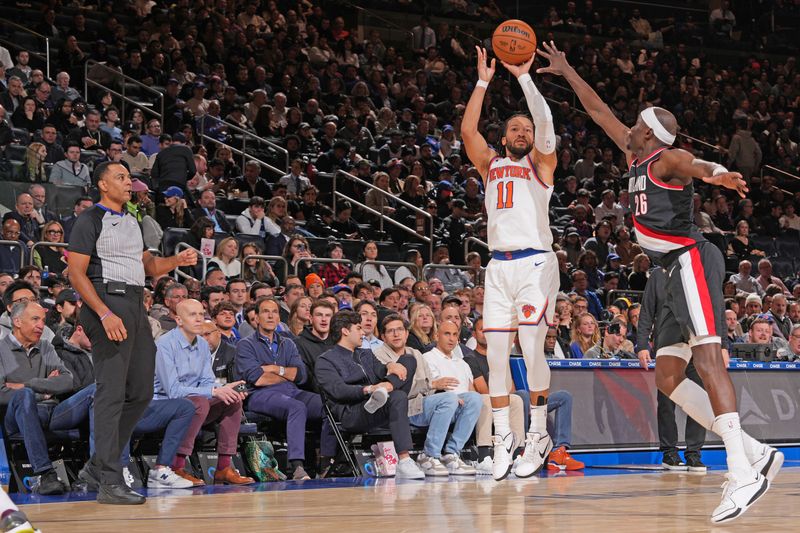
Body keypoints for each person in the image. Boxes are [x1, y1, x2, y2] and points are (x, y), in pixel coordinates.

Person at [538, 40, 780, 522]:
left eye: (634, 124)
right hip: (665, 273)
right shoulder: (636, 160)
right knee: (669, 378)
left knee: (709, 361)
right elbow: (599, 111)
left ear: (648, 133)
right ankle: (754, 449)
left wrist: (721, 174)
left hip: (691, 260)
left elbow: (697, 165)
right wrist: (566, 71)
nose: (624, 127)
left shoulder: (667, 160)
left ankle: (741, 469)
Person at [69, 161, 198, 505]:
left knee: (141, 391)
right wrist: (104, 312)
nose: (129, 183)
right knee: (111, 393)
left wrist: (177, 262)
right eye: (121, 177)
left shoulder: (133, 219)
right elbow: (75, 274)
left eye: (130, 177)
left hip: (135, 304)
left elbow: (150, 267)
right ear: (102, 184)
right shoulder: (89, 219)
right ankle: (110, 479)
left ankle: (98, 464)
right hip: (105, 301)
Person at [461, 46, 558, 480]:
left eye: (526, 128)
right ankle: (503, 438)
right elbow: (467, 133)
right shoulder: (490, 165)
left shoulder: (542, 165)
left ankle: (538, 433)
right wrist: (482, 81)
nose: (522, 132)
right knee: (497, 357)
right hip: (498, 267)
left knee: (533, 347)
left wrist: (524, 78)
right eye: (514, 128)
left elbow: (547, 124)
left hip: (536, 262)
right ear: (504, 138)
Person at [153, 299, 254, 487]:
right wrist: (213, 391)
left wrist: (225, 390)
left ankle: (224, 468)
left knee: (232, 400)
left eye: (201, 314)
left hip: (195, 404)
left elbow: (207, 381)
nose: (199, 319)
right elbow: (173, 391)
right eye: (193, 315)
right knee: (198, 402)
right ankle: (176, 467)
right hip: (163, 405)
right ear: (178, 320)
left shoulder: (201, 344)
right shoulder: (165, 344)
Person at [315, 310, 426, 480]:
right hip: (352, 413)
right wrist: (369, 389)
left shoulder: (365, 354)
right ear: (345, 331)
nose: (363, 332)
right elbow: (338, 391)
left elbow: (382, 370)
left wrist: (390, 366)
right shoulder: (326, 360)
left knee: (408, 361)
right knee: (397, 397)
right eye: (358, 328)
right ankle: (404, 460)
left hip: (379, 404)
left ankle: (385, 391)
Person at [235, 297, 337, 480]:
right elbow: (256, 378)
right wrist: (285, 373)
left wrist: (274, 368)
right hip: (259, 395)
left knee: (328, 405)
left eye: (274, 312)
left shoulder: (288, 343)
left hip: (291, 390)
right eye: (265, 312)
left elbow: (301, 375)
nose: (271, 316)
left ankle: (325, 462)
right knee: (296, 407)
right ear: (256, 318)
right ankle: (297, 466)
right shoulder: (246, 344)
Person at [0, 300, 95, 495]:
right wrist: (43, 391)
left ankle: (97, 468)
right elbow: (2, 393)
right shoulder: (2, 350)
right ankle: (46, 474)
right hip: (16, 418)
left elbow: (68, 381)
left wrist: (30, 384)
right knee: (23, 396)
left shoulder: (45, 347)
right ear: (17, 321)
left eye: (43, 320)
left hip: (53, 412)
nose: (41, 325)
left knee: (98, 389)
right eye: (35, 319)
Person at [636, 268, 708, 472]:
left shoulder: (696, 274)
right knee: (667, 403)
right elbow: (647, 311)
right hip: (667, 346)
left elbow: (710, 310)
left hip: (695, 347)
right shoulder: (658, 275)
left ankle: (694, 453)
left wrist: (722, 346)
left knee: (698, 401)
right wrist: (642, 344)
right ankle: (669, 453)